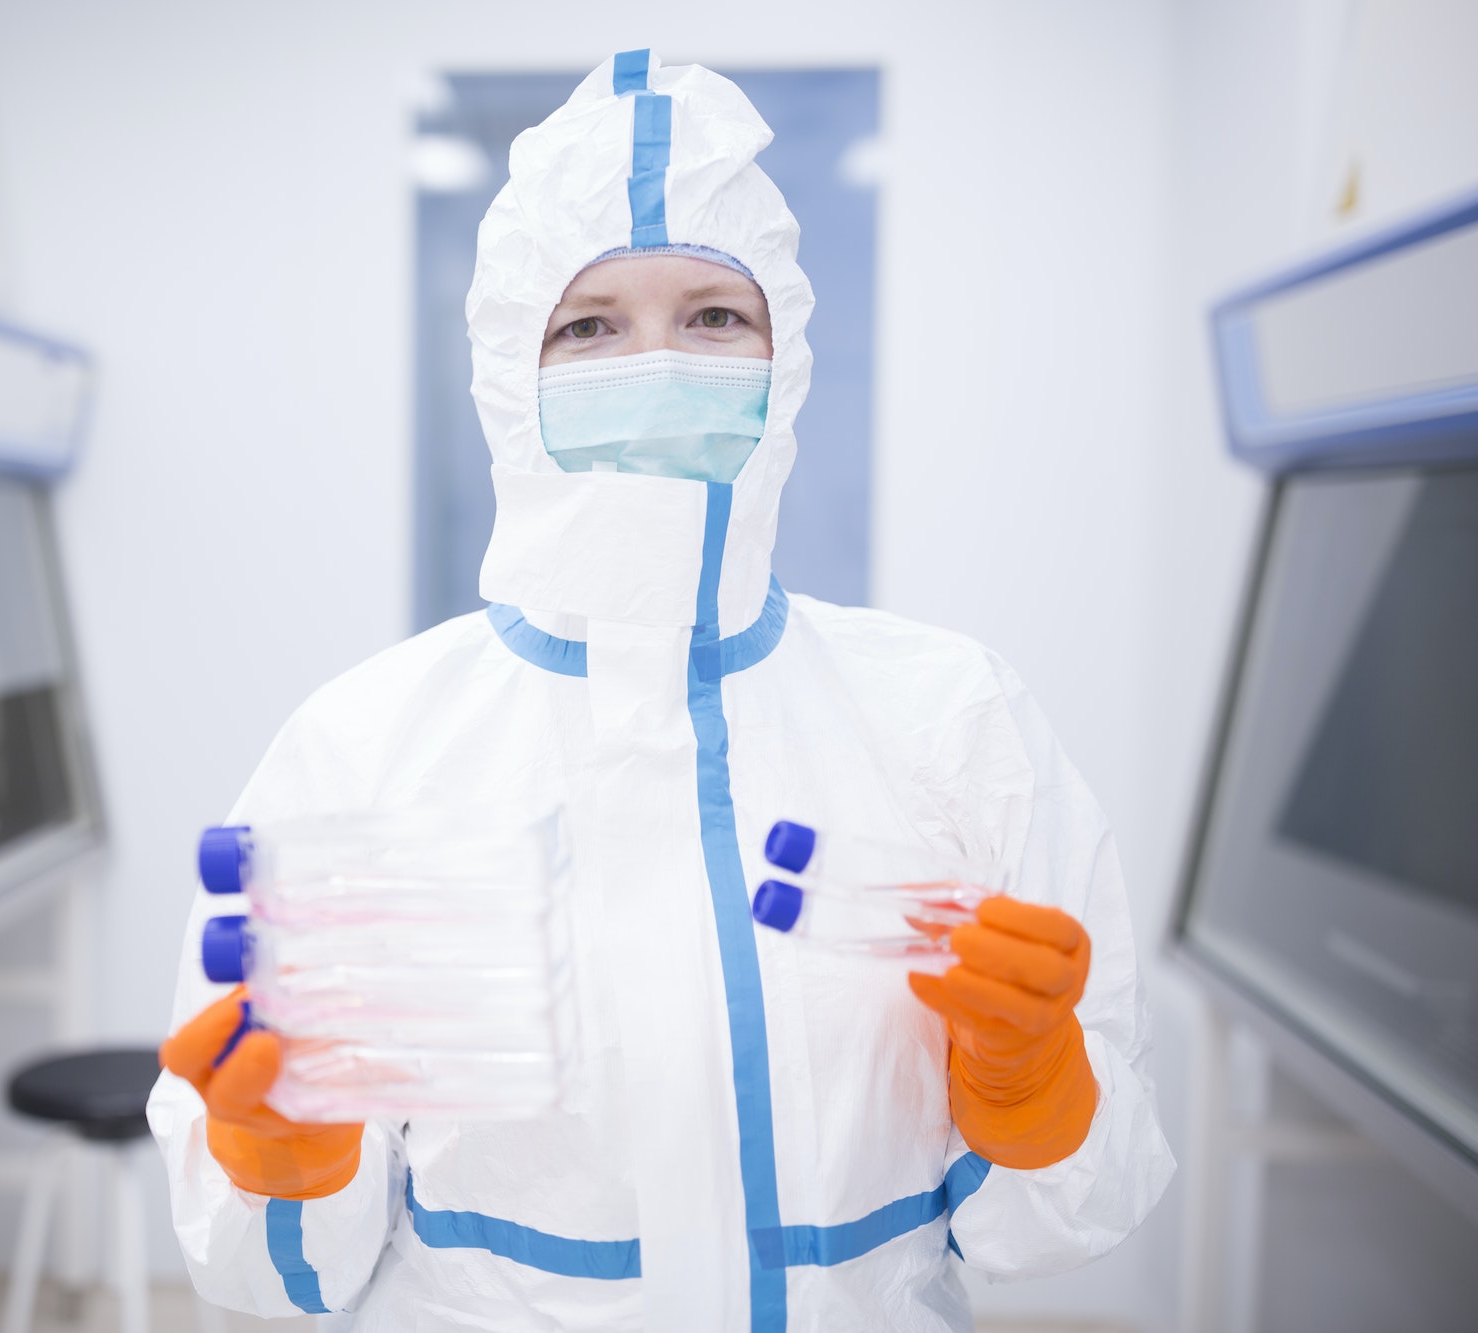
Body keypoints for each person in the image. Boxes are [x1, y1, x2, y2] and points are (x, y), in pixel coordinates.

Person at [147, 49, 1174, 1331]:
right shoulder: (362, 746)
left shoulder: (948, 721)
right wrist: (286, 1164)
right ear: (507, 374)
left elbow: (1064, 1218)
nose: (659, 363)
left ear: (782, 354)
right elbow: (279, 1276)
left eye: (711, 317)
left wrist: (1037, 1096)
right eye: (587, 326)